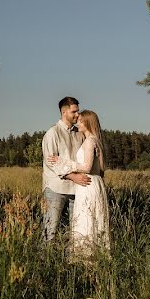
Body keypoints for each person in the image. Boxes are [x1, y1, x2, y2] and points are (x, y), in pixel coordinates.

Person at [48, 109, 110, 257]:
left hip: (87, 184)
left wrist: (63, 162)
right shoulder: (97, 140)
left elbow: (87, 167)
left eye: (81, 120)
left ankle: (85, 257)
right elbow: (101, 169)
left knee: (86, 219)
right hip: (96, 183)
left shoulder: (89, 141)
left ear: (87, 123)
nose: (78, 122)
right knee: (95, 219)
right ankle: (97, 254)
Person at [41, 96, 90, 241]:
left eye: (78, 111)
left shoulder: (79, 133)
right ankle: (44, 260)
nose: (78, 115)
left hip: (76, 189)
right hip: (56, 188)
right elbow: (52, 163)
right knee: (50, 229)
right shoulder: (53, 133)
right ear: (64, 112)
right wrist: (74, 176)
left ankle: (71, 261)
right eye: (74, 112)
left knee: (75, 229)